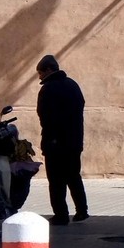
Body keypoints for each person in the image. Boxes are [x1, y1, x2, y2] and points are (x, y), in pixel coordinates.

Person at [36, 54, 88, 224]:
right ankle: (82, 210)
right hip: (74, 142)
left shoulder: (48, 89)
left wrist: (51, 139)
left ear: (49, 69)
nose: (40, 77)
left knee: (56, 181)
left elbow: (45, 117)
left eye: (41, 73)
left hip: (55, 143)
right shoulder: (73, 85)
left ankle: (61, 214)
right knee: (73, 176)